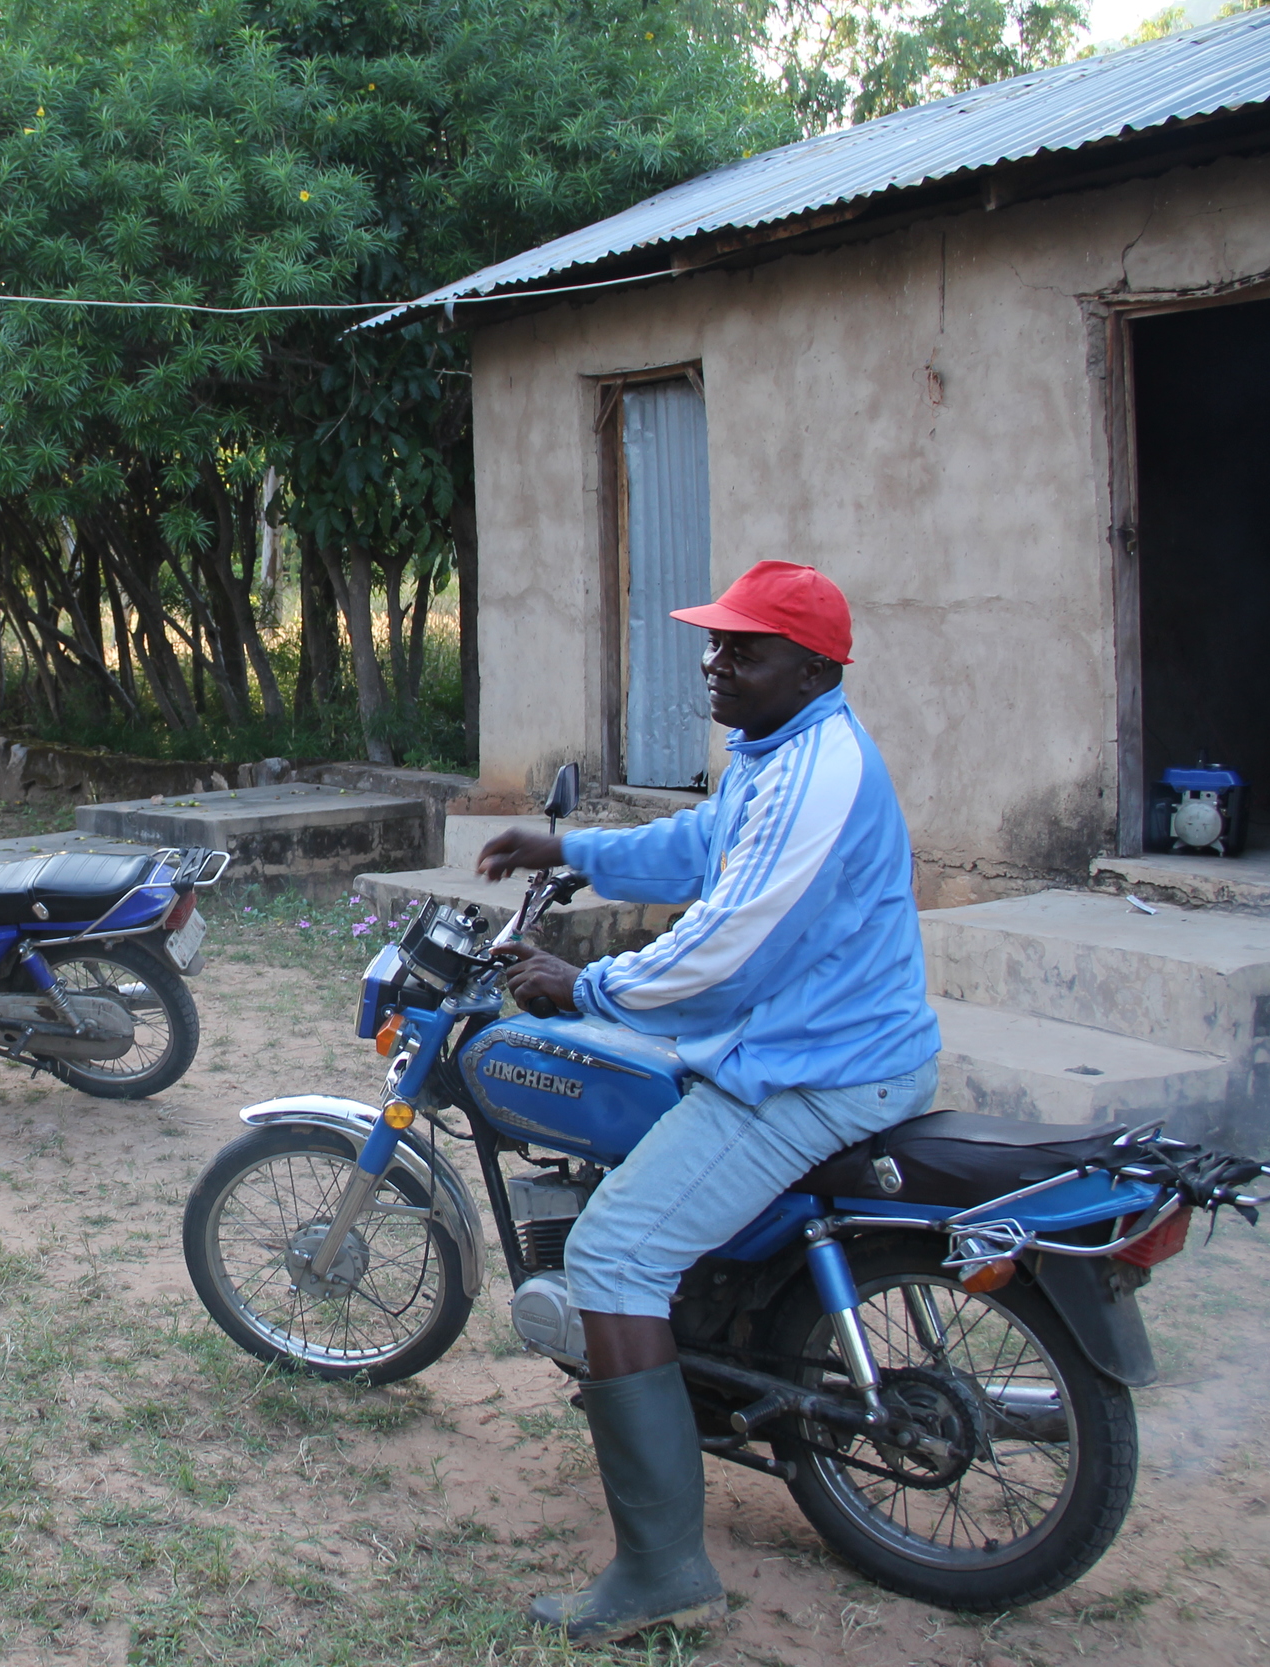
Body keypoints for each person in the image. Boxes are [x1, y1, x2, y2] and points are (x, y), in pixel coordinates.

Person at [475, 560, 940, 1642]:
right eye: (715, 641)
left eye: (744, 648)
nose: (713, 662)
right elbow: (696, 848)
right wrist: (570, 846)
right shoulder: (771, 755)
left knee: (612, 1254)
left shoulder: (819, 769)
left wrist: (584, 984)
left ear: (815, 666)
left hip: (812, 1068)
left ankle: (662, 1571)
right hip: (808, 1044)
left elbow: (730, 944)